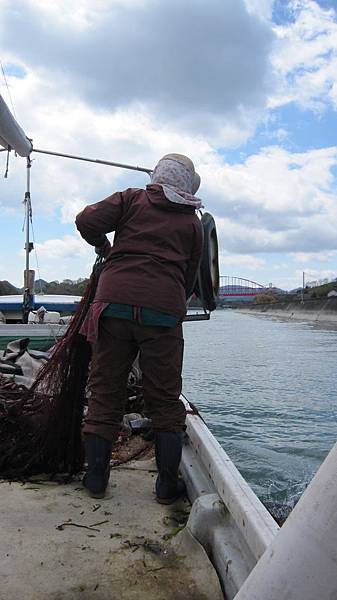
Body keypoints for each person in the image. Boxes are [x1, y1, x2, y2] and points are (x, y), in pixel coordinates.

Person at [75, 153, 203, 502]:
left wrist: (105, 246)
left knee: (105, 391)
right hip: (162, 315)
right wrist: (172, 296)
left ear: (158, 175)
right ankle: (165, 486)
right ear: (188, 184)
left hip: (113, 306)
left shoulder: (132, 198)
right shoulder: (192, 223)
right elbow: (190, 277)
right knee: (164, 400)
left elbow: (86, 220)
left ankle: (97, 480)